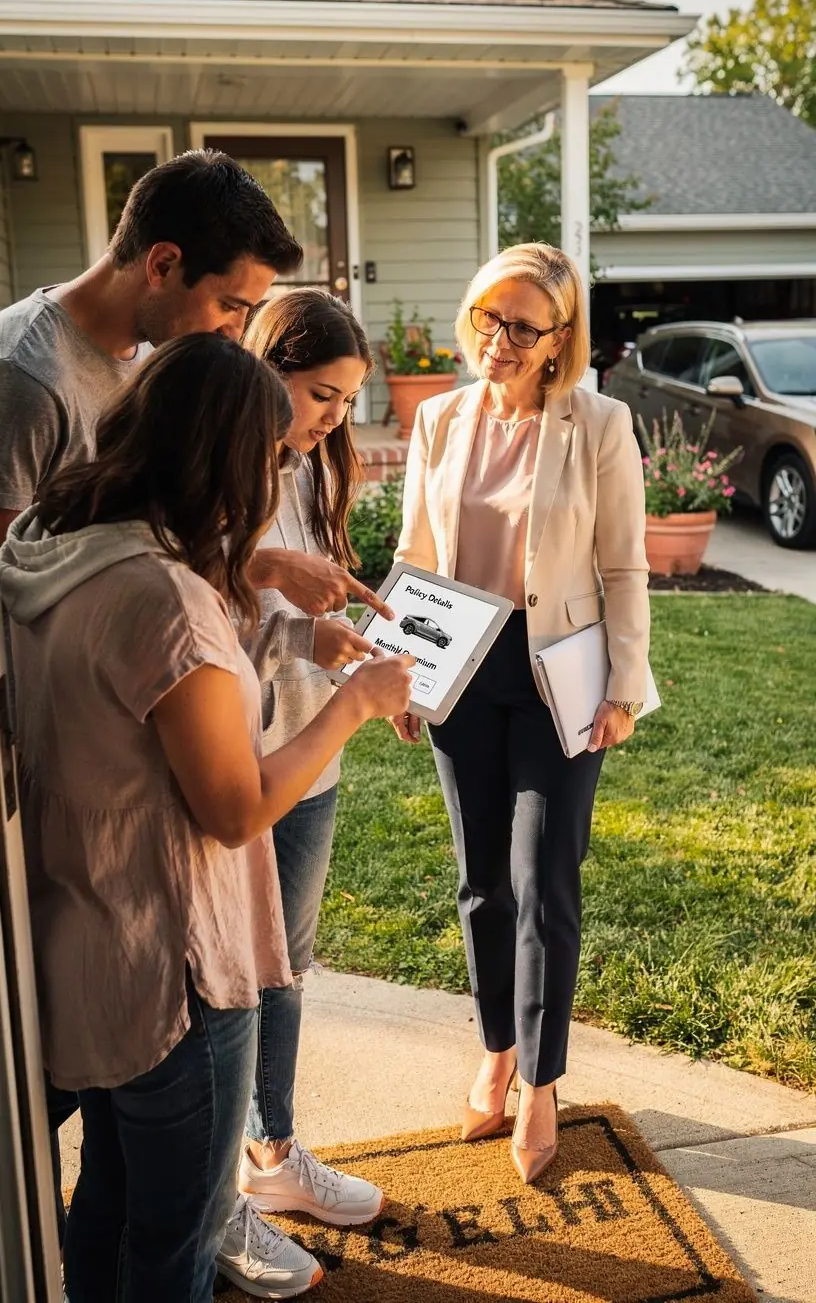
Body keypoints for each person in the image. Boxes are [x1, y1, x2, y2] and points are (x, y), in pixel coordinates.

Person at [0, 334, 413, 1302]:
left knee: (102, 1208)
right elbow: (235, 808)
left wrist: (292, 628)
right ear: (226, 458)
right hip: (178, 976)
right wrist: (356, 704)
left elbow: (156, 692)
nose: (281, 477)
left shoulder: (59, 547)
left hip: (91, 945)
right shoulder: (165, 600)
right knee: (176, 1252)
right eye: (272, 458)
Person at [393, 242, 650, 1185]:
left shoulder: (601, 424)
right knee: (478, 881)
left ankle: (541, 1081)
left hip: (562, 676)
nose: (497, 340)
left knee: (544, 878)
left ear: (559, 340)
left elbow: (624, 563)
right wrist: (409, 676)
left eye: (522, 327)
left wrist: (625, 683)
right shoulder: (438, 420)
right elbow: (419, 556)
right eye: (485, 318)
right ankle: (496, 1046)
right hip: (462, 668)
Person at [216, 289, 384, 1263]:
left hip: (312, 749)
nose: (330, 419)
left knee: (288, 962)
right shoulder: (219, 464)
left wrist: (369, 672)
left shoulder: (317, 462)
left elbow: (308, 620)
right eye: (320, 394)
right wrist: (275, 575)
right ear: (266, 364)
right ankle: (226, 1182)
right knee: (236, 972)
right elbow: (199, 603)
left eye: (345, 401)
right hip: (242, 755)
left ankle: (272, 1148)